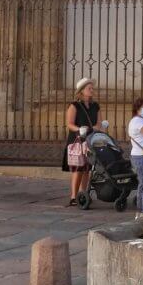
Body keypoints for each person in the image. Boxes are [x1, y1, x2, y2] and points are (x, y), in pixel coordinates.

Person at [63, 78, 101, 207]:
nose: (92, 90)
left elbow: (98, 123)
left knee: (87, 168)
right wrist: (79, 129)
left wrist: (96, 128)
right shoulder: (74, 106)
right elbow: (69, 124)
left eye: (92, 88)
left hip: (90, 139)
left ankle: (83, 194)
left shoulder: (95, 106)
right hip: (77, 140)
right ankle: (74, 196)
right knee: (78, 168)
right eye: (89, 88)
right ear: (81, 91)